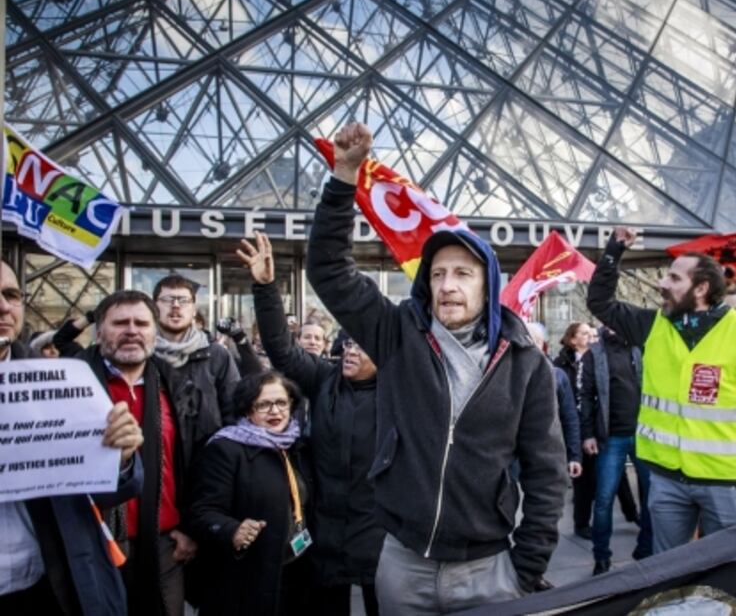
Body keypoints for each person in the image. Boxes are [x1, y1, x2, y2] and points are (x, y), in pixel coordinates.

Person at [306, 122, 566, 612]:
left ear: (487, 286)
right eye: (439, 273)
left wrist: (527, 567)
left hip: (489, 569)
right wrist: (344, 176)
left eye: (463, 274)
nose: (448, 284)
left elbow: (547, 470)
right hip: (403, 563)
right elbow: (328, 269)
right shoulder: (397, 333)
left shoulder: (525, 362)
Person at [587, 227, 736, 553]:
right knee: (669, 571)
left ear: (701, 289)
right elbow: (599, 302)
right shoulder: (653, 324)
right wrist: (614, 250)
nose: (661, 283)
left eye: (673, 279)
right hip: (666, 479)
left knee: (722, 568)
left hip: (724, 482)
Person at [238, 231, 384, 615]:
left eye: (361, 345)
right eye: (348, 343)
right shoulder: (324, 379)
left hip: (380, 531)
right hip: (324, 529)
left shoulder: (400, 392)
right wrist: (266, 288)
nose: (350, 350)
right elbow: (282, 350)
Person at [0, 259, 144, 616]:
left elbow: (102, 493)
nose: (4, 306)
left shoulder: (62, 386)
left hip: (45, 583)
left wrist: (121, 459)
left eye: (11, 295)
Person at [59, 290, 211, 615]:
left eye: (141, 322)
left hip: (165, 546)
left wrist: (191, 527)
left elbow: (199, 459)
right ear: (99, 333)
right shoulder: (69, 385)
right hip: (94, 542)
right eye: (120, 323)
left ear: (153, 332)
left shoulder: (178, 386)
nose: (132, 330)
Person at [185, 371, 311, 616]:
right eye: (263, 404)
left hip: (292, 571)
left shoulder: (294, 445)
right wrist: (232, 529)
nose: (275, 411)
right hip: (243, 581)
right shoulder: (225, 449)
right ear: (246, 410)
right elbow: (200, 511)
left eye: (281, 403)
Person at [553, 323, 637, 541]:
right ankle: (581, 523)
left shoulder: (600, 357)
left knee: (617, 477)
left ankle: (632, 513)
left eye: (591, 333)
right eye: (584, 333)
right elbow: (573, 396)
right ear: (572, 339)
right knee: (586, 480)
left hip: (603, 426)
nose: (590, 336)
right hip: (579, 425)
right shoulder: (563, 363)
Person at [584, 326, 652, 574]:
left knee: (652, 495)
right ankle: (601, 556)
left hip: (643, 436)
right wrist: (589, 434)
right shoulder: (594, 354)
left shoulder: (638, 349)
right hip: (610, 437)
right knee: (603, 499)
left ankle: (646, 549)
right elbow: (586, 395)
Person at [152, 275, 240, 427]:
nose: (176, 305)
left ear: (194, 310)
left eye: (184, 300)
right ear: (154, 308)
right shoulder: (142, 355)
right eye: (167, 300)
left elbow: (234, 411)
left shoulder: (217, 355)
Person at [526, 322, 582, 480]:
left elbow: (569, 419)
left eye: (534, 340)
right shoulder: (506, 375)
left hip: (548, 455)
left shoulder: (557, 376)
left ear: (541, 344)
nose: (529, 345)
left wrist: (574, 456)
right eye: (526, 339)